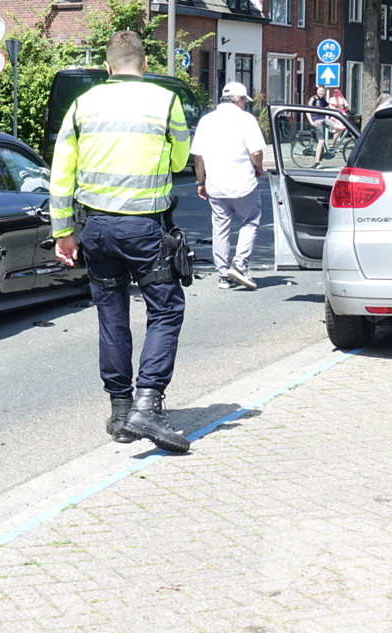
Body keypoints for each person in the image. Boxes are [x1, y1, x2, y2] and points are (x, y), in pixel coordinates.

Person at [49, 30, 190, 454]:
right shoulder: (166, 101)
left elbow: (61, 173)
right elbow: (180, 159)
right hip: (144, 228)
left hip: (95, 228)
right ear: (144, 64)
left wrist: (63, 232)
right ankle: (147, 403)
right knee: (166, 309)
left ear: (107, 67)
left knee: (111, 315)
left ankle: (120, 412)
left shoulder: (82, 104)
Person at [191, 82, 265, 291]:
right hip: (242, 183)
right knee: (250, 221)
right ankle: (239, 264)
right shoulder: (246, 119)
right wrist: (258, 168)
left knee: (220, 227)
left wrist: (201, 182)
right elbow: (256, 152)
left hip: (215, 184)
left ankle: (223, 275)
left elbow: (198, 157)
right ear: (239, 100)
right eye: (244, 101)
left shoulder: (207, 120)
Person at [307, 85, 341, 168]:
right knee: (321, 141)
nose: (321, 92)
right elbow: (307, 110)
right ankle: (317, 163)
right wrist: (311, 122)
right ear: (317, 90)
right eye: (320, 90)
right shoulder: (313, 99)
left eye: (323, 91)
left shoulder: (323, 99)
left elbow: (329, 106)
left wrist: (339, 111)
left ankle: (332, 146)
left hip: (324, 120)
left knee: (340, 127)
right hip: (317, 121)